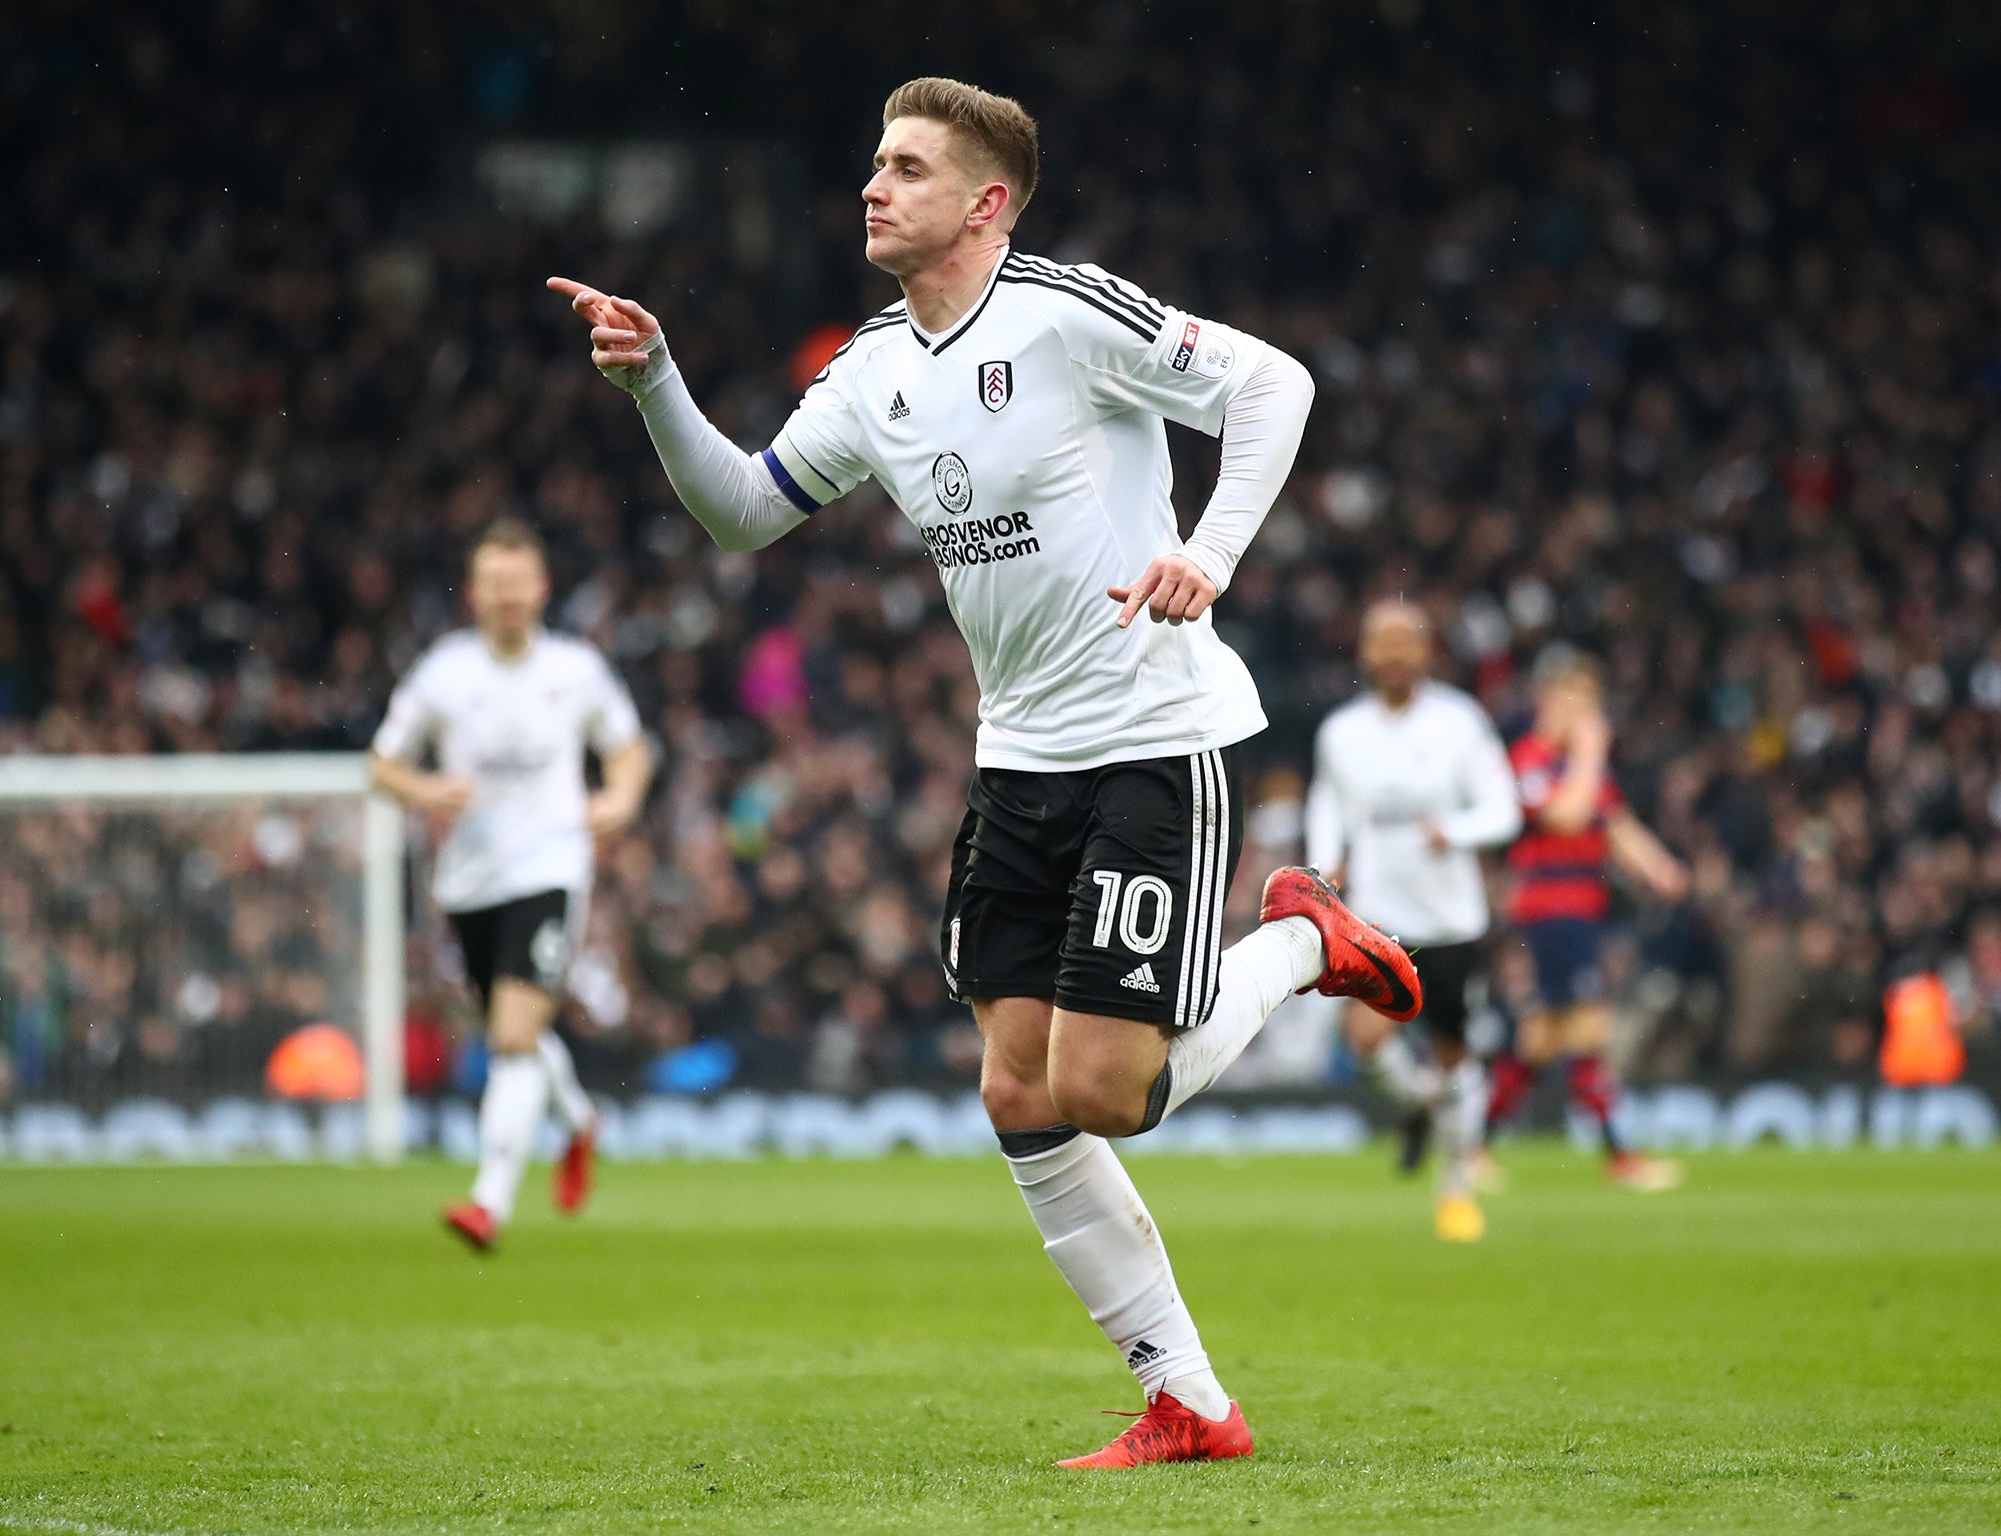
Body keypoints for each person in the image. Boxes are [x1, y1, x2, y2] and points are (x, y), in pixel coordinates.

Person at [548, 77, 1420, 1467]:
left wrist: (1213, 553)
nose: (872, 187)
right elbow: (738, 514)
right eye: (872, 164)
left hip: (1149, 735)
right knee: (1016, 1090)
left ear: (985, 200)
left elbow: (1274, 384)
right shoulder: (873, 367)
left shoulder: (1069, 313)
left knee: (1106, 1091)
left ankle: (1302, 945)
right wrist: (655, 381)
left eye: (905, 167)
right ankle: (1190, 1401)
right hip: (1016, 760)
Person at [370, 518, 653, 1249]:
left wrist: (619, 801)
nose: (506, 596)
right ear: (474, 593)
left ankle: (487, 1201)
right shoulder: (443, 674)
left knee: (512, 1036)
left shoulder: (575, 669)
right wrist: (424, 790)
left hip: (551, 869)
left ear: (541, 589)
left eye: (517, 582)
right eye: (494, 584)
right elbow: (382, 764)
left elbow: (627, 750)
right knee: (512, 1028)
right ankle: (582, 1121)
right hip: (468, 881)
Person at [1307, 600, 1520, 1241]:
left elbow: (1503, 809)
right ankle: (1424, 1107)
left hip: (1452, 922)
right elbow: (1328, 807)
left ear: (1427, 653)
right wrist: (1320, 872)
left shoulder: (1461, 723)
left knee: (1454, 1055)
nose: (1395, 653)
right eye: (1383, 641)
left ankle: (1455, 1189)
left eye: (1408, 641)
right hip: (1379, 921)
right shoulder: (1342, 733)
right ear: (1366, 653)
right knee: (1364, 1041)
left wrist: (1452, 830)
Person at [1485, 648, 1687, 1190]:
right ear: (1549, 702)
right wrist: (1592, 753)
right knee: (1587, 1027)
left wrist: (1661, 868)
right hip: (1548, 914)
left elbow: (1614, 823)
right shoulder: (1528, 760)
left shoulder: (1581, 767)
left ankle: (1474, 1147)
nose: (1587, 715)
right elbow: (1567, 815)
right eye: (1578, 702)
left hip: (1580, 912)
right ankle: (1620, 1156)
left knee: (1540, 1040)